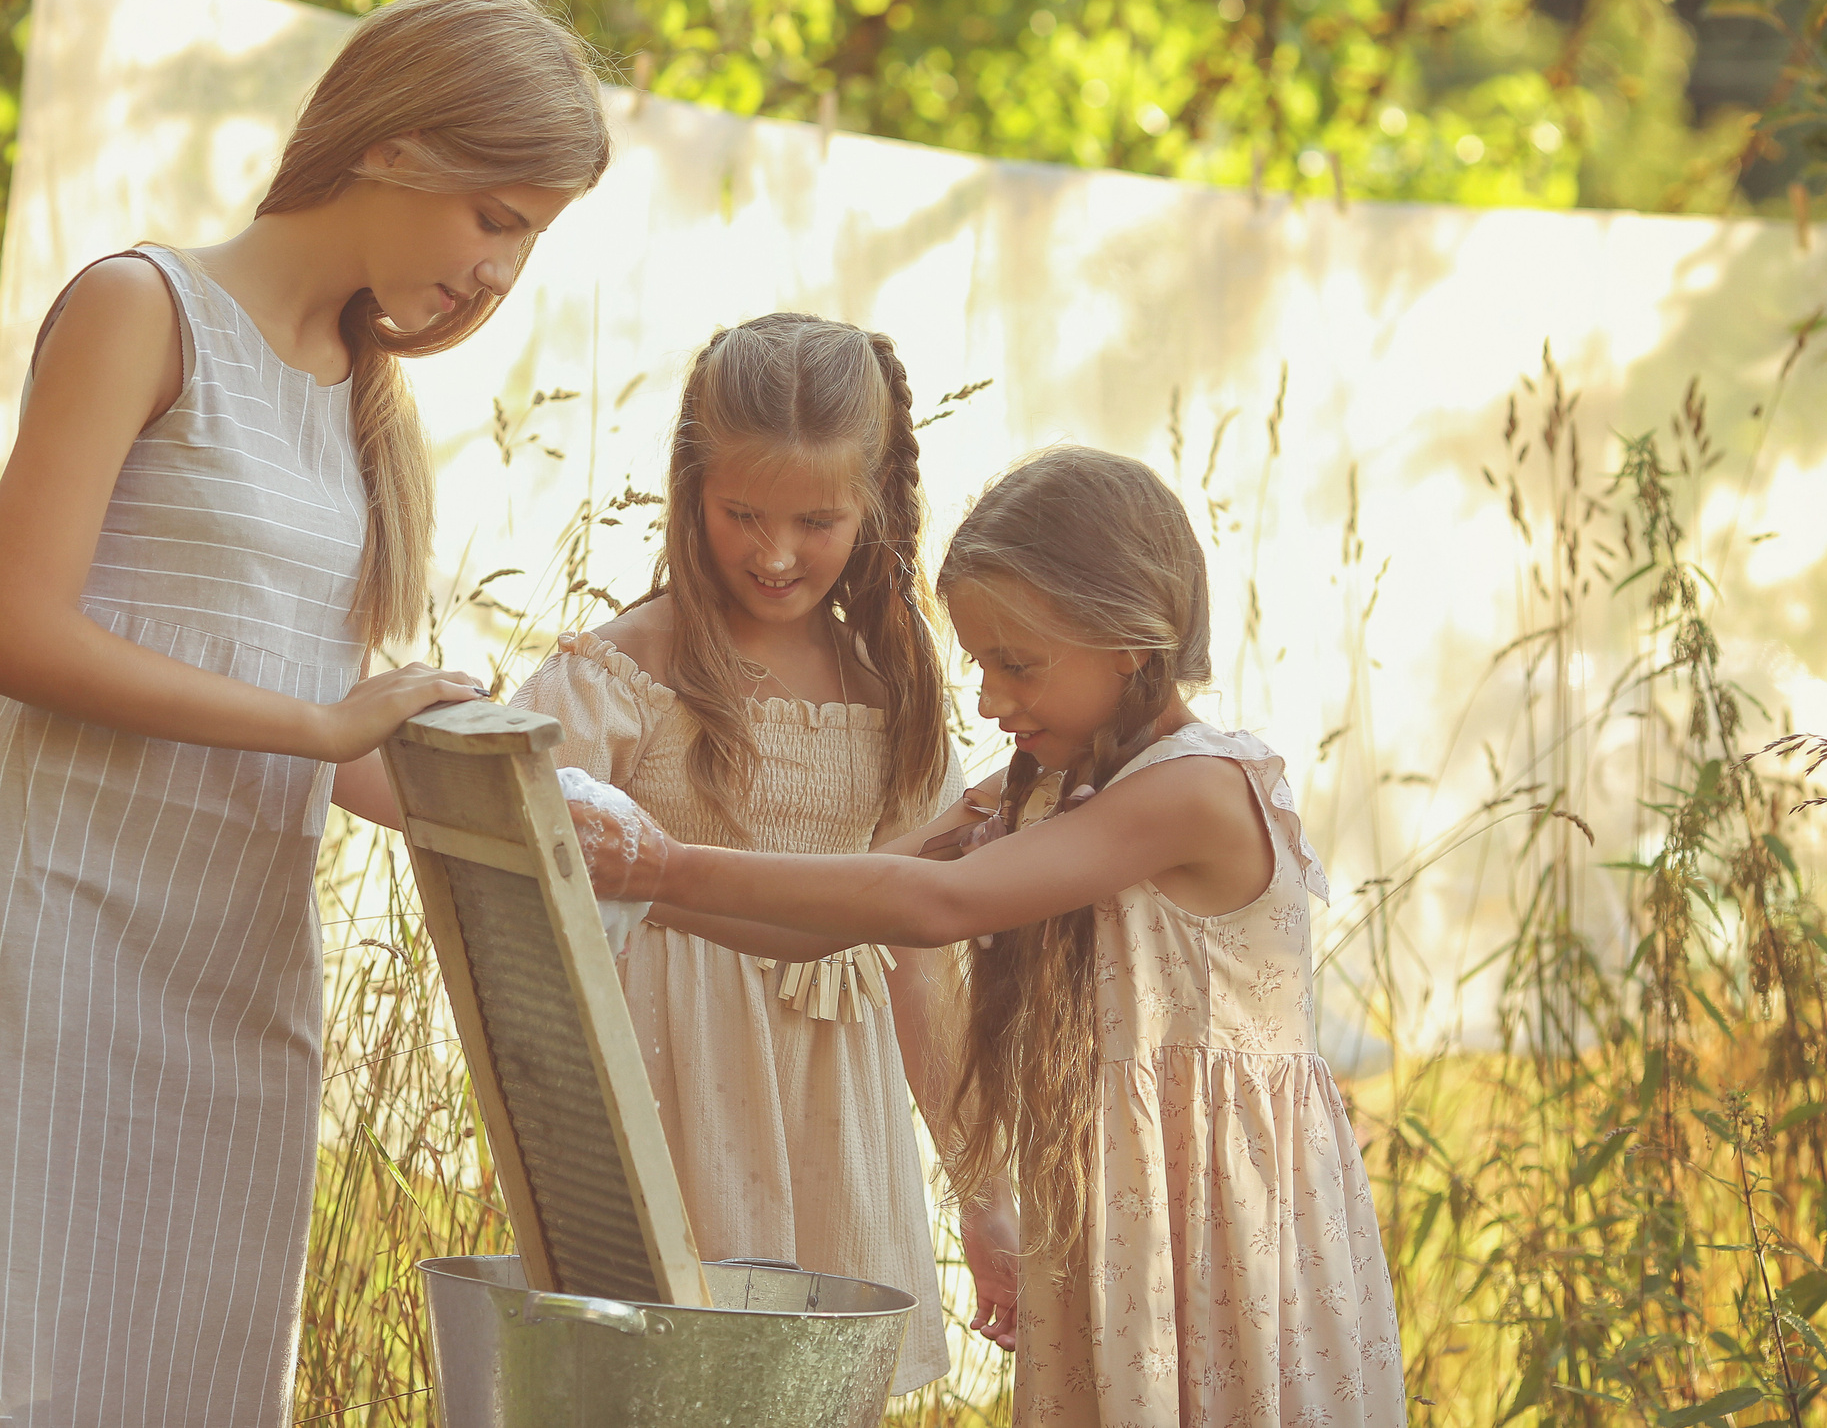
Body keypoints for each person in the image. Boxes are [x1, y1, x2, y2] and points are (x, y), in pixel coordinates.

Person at [0, 0, 608, 1426]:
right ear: (397, 145)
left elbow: (318, 722)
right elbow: (16, 630)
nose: (500, 273)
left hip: (230, 976)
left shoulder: (359, 402)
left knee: (190, 1382)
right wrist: (322, 723)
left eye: (531, 242)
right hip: (40, 950)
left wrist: (539, 811)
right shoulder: (146, 304)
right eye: (498, 217)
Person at [568, 446, 1408, 1426]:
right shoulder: (1041, 791)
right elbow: (831, 921)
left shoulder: (1198, 790)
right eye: (978, 662)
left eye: (1018, 664)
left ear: (1131, 643)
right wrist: (617, 889)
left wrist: (664, 864)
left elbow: (937, 906)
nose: (989, 699)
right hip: (1118, 1213)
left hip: (1227, 1220)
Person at [504, 312, 1009, 1396]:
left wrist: (980, 1185)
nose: (775, 554)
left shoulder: (894, 687)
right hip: (668, 1092)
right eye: (741, 513)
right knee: (664, 1386)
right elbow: (512, 881)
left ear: (873, 505)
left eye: (816, 520)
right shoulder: (618, 675)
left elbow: (921, 950)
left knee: (814, 1391)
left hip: (835, 1109)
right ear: (691, 490)